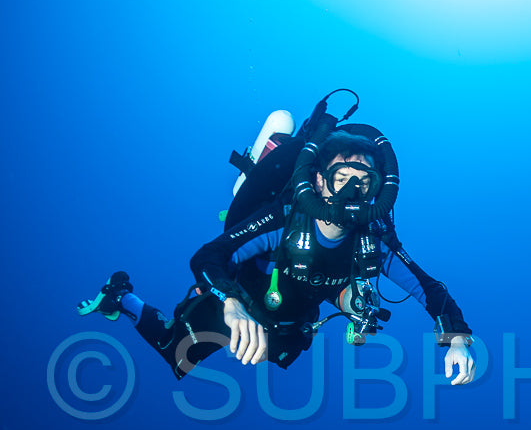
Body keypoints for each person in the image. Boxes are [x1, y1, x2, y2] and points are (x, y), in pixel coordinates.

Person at [77, 114, 476, 384]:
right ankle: (121, 296)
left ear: (378, 189)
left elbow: (430, 289)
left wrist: (456, 339)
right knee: (175, 354)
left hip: (289, 325)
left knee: (283, 353)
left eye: (364, 182)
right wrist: (231, 304)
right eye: (342, 178)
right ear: (320, 182)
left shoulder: (373, 238)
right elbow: (208, 256)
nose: (353, 191)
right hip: (238, 303)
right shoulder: (285, 219)